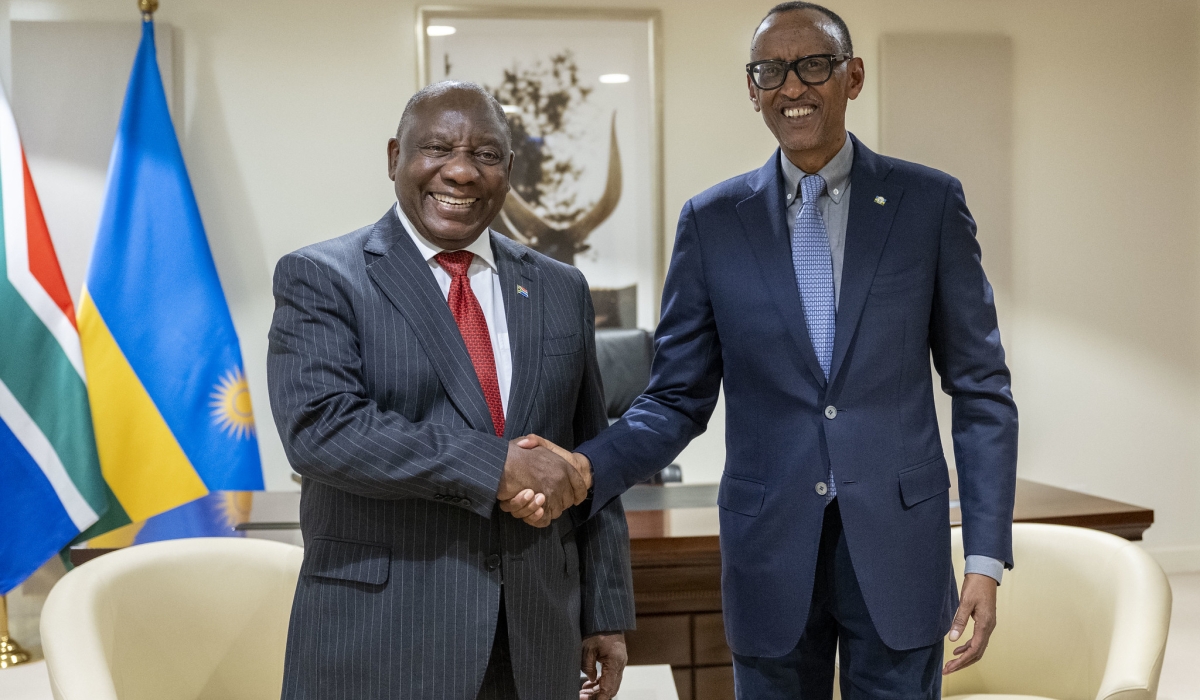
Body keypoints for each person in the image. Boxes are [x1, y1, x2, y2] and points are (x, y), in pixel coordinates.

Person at [508, 2, 1018, 697]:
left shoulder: (927, 204)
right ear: (752, 90)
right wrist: (584, 467)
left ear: (852, 76)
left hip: (899, 548)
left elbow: (982, 388)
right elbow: (676, 398)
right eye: (770, 71)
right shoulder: (712, 222)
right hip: (769, 551)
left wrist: (985, 556)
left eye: (813, 65)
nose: (792, 87)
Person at [267, 81, 635, 700]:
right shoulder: (321, 278)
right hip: (382, 641)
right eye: (437, 149)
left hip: (533, 638)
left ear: (509, 170)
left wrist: (605, 608)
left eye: (487, 155)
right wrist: (500, 466)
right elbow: (321, 431)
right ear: (394, 158)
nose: (461, 171)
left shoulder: (559, 288)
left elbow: (587, 453)